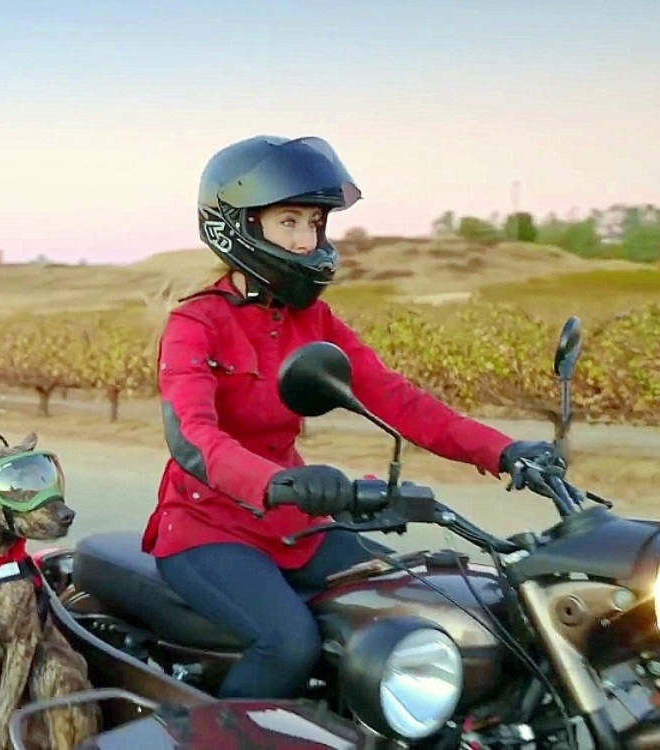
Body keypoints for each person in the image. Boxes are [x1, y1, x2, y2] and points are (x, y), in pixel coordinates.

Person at [141, 134, 562, 701]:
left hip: (297, 525)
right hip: (208, 531)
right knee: (288, 644)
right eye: (289, 221)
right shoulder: (197, 322)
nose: (307, 239)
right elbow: (193, 437)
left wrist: (504, 450)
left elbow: (397, 399)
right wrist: (276, 482)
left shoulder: (313, 320)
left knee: (430, 603)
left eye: (314, 223)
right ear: (236, 223)